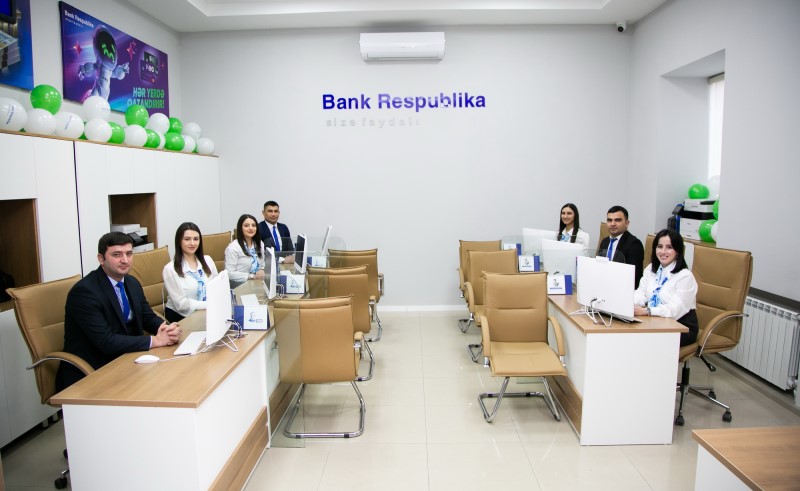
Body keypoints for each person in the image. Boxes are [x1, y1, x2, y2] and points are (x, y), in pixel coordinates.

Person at [56, 232, 181, 391]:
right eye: (117, 255)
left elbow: (147, 317)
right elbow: (105, 341)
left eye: (129, 254)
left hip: (127, 359)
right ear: (101, 259)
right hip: (95, 369)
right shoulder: (85, 292)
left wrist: (166, 329)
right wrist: (155, 341)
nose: (125, 260)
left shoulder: (131, 282)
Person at [634, 229, 698, 346]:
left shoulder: (685, 276)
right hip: (655, 320)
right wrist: (631, 304)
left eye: (669, 247)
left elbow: (674, 310)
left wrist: (646, 311)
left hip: (681, 325)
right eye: (660, 246)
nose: (663, 251)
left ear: (677, 251)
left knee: (643, 342)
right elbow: (640, 293)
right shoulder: (651, 269)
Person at [162, 222, 219, 323]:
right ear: (179, 241)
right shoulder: (170, 269)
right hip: (181, 317)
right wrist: (209, 305)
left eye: (196, 239)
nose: (192, 243)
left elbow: (217, 287)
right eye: (187, 239)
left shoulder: (208, 260)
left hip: (207, 312)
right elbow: (182, 305)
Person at [596, 205, 645, 288]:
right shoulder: (604, 242)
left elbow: (634, 277)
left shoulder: (634, 244)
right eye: (609, 220)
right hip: (603, 285)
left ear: (627, 223)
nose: (612, 224)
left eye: (617, 220)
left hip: (622, 289)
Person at [226, 214, 265, 287]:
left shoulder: (260, 243)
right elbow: (229, 273)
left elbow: (263, 263)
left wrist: (262, 270)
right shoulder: (233, 248)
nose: (251, 228)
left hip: (257, 283)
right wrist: (251, 276)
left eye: (253, 225)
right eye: (246, 226)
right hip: (240, 285)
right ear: (240, 228)